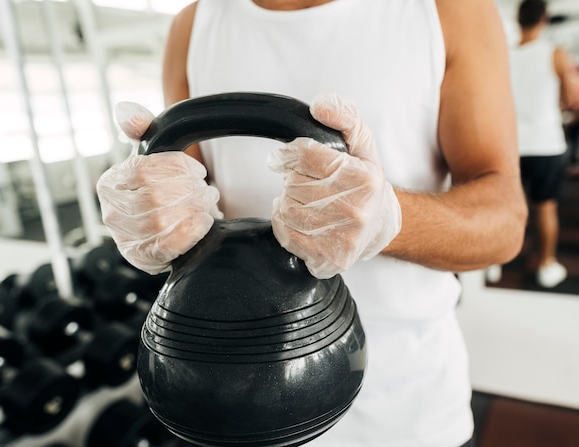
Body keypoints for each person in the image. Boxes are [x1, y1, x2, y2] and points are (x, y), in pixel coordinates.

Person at [96, 1, 528, 446]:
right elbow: (187, 212)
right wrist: (153, 214)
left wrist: (388, 217)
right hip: (236, 410)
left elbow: (505, 223)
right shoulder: (193, 25)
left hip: (407, 409)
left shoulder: (448, 10)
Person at [508, 0, 578, 288]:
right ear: (544, 20)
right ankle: (546, 266)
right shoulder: (555, 54)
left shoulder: (505, 56)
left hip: (510, 146)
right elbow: (570, 99)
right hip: (545, 145)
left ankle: (495, 261)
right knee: (544, 207)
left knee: (508, 206)